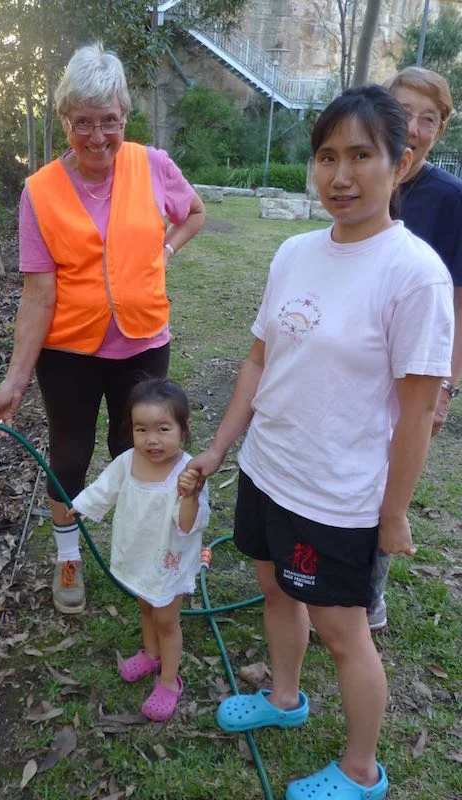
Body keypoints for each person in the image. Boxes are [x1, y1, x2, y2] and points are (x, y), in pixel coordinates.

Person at [188, 86, 453, 800]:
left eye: (360, 156)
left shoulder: (415, 275)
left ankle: (362, 770)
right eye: (327, 156)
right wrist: (218, 449)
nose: (339, 176)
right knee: (274, 588)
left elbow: (417, 412)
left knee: (344, 632)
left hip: (337, 497)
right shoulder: (295, 253)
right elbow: (257, 360)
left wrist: (393, 514)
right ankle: (282, 698)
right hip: (268, 469)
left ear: (400, 163)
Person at [0, 43, 206, 615]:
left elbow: (194, 212)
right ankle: (68, 556)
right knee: (70, 456)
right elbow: (38, 292)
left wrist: (167, 247)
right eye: (84, 122)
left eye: (110, 120)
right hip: (70, 350)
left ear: (125, 116)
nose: (99, 136)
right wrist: (15, 379)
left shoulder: (153, 164)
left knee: (137, 450)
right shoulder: (39, 192)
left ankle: (148, 549)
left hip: (143, 341)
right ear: (65, 120)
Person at [364, 66, 462, 631]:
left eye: (430, 119)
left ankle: (369, 593)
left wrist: (445, 387)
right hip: (356, 360)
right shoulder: (361, 177)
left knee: (388, 479)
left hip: (413, 370)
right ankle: (316, 578)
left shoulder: (449, 201)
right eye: (404, 114)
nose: (415, 129)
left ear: (441, 131)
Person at [68, 378, 210, 721]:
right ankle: (150, 653)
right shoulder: (128, 461)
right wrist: (83, 504)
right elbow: (106, 487)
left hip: (168, 559)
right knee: (145, 603)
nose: (152, 440)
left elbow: (189, 524)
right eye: (141, 429)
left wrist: (190, 495)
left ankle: (168, 680)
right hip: (139, 550)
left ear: (184, 429)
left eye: (163, 429)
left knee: (166, 618)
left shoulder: (187, 472)